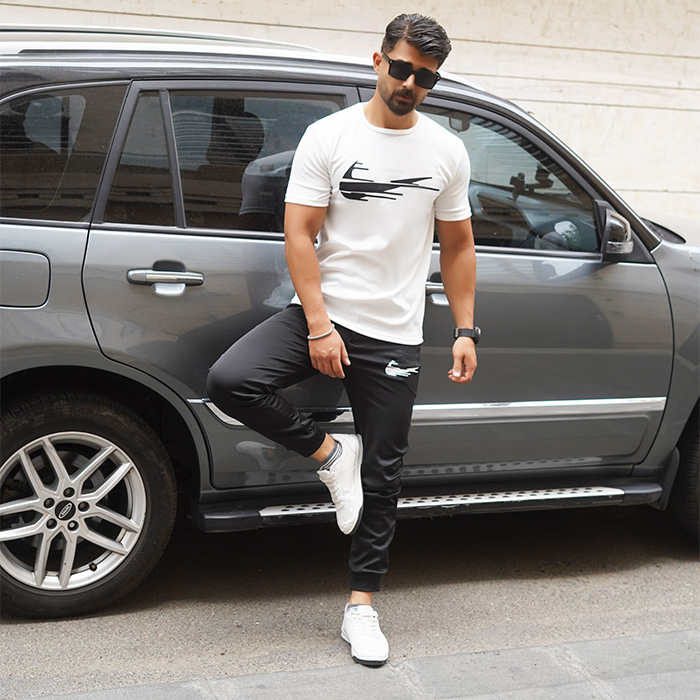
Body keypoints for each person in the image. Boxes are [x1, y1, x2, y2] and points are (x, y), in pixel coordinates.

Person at [207, 12, 478, 667]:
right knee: (231, 380)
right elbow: (298, 234)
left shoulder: (446, 151)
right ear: (378, 60)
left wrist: (466, 328)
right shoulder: (329, 136)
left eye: (426, 77)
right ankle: (331, 454)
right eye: (403, 67)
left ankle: (361, 608)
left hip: (395, 333)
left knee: (383, 477)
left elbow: (458, 245)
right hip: (323, 316)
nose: (411, 83)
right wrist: (320, 325)